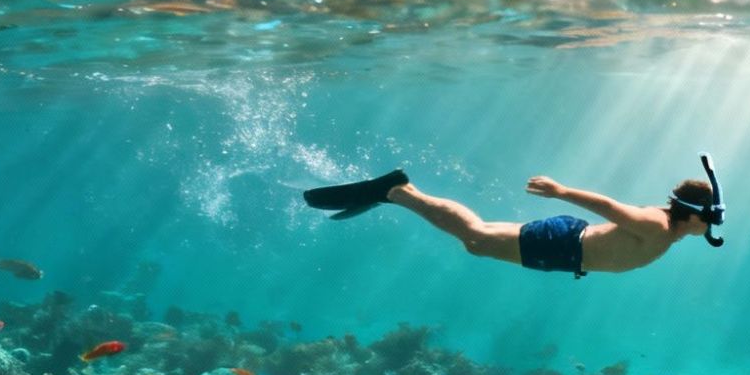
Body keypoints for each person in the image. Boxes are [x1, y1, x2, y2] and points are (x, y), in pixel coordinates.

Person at [303, 157, 725, 278]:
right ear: (692, 216)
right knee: (477, 240)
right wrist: (561, 190)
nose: (712, 228)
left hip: (568, 250)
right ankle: (398, 192)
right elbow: (611, 207)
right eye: (710, 219)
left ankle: (400, 193)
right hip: (565, 246)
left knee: (479, 237)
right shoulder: (657, 225)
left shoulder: (668, 228)